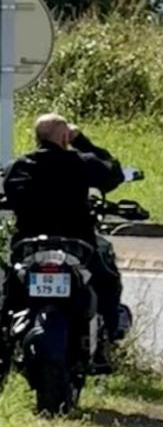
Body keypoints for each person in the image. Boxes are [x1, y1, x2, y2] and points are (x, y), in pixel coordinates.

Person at [3, 114, 128, 371]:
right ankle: (108, 337)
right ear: (64, 137)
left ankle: (4, 352)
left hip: (30, 247)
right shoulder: (80, 163)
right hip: (78, 245)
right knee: (107, 279)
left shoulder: (21, 166)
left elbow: (9, 194)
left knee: (10, 292)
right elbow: (112, 172)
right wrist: (82, 141)